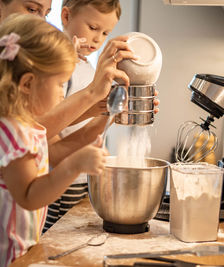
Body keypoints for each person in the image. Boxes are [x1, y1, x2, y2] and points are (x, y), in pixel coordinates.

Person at [0, 0, 134, 266]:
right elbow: (28, 136)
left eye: (46, 13)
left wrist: (104, 114)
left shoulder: (16, 102)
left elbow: (45, 144)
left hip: (3, 232)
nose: (41, 22)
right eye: (32, 10)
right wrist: (90, 94)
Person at [0, 13, 107, 266]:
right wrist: (75, 166)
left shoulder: (0, 118)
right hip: (3, 255)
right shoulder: (15, 133)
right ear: (28, 83)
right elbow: (29, 196)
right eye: (61, 84)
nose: (64, 93)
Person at [43, 0, 160, 230]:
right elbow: (48, 143)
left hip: (80, 179)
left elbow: (87, 124)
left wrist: (113, 112)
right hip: (58, 182)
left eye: (106, 32)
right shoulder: (56, 70)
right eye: (93, 28)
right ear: (65, 16)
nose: (98, 39)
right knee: (54, 240)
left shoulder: (88, 68)